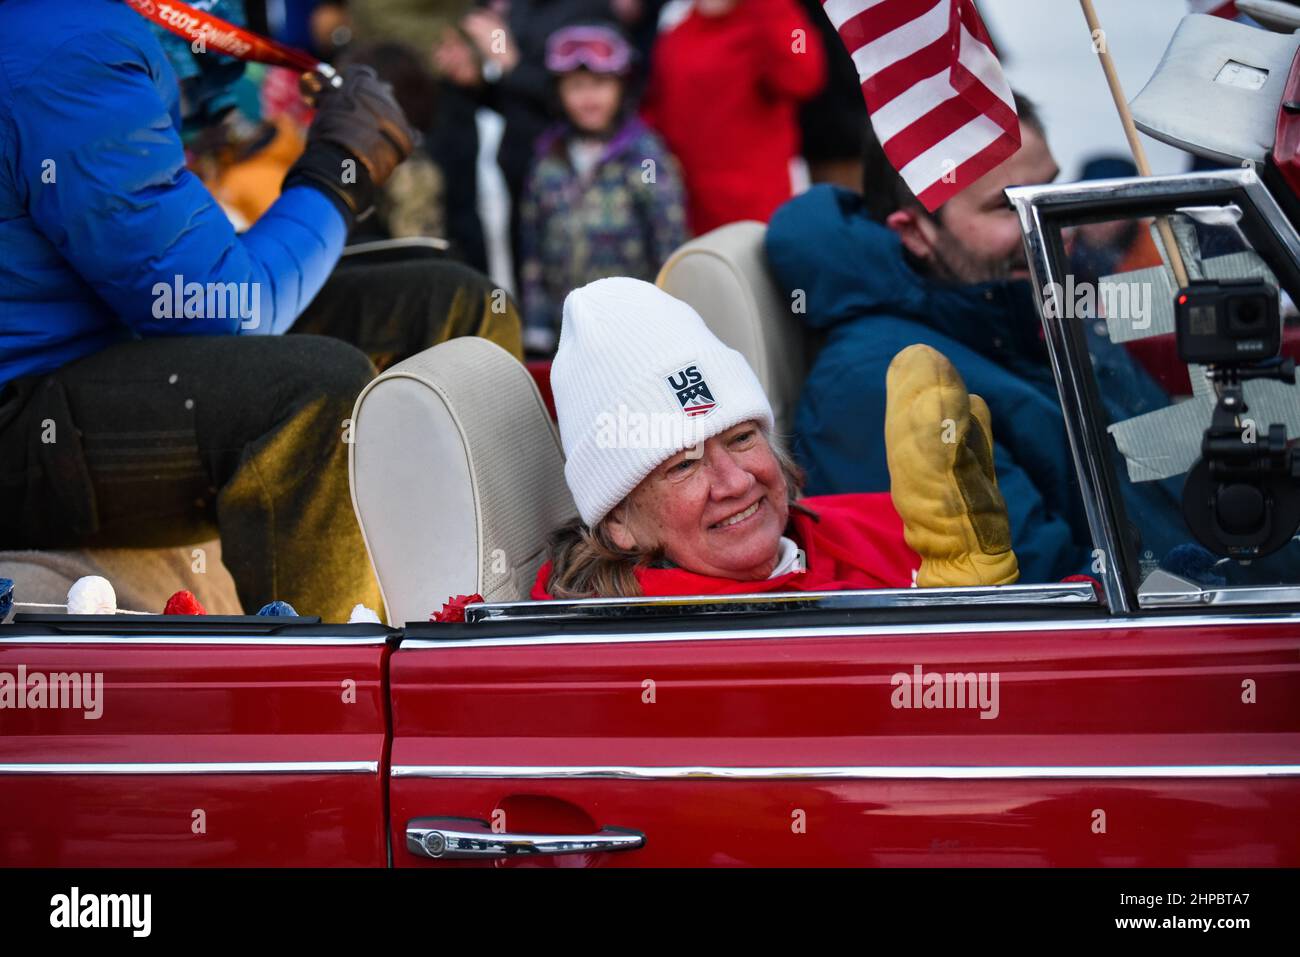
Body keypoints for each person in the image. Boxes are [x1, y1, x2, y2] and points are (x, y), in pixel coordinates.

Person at [0, 0, 521, 621]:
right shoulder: (71, 45)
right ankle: (331, 694)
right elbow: (223, 307)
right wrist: (340, 171)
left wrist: (178, 98)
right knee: (311, 397)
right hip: (23, 404)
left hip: (105, 339)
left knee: (452, 309)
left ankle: (485, 621)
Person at [764, 96, 1185, 584]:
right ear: (915, 232)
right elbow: (1045, 602)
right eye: (1011, 206)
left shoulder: (1028, 314)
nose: (1055, 226)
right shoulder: (877, 385)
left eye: (1048, 191)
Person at [531, 278, 1019, 599]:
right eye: (683, 465)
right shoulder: (658, 654)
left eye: (742, 437)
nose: (736, 482)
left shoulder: (886, 518)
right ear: (619, 523)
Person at [518, 23, 688, 354]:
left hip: (633, 328)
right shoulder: (547, 159)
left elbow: (670, 244)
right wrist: (536, 322)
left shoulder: (645, 158)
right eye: (576, 87)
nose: (588, 97)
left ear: (621, 88)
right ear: (559, 93)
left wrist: (669, 318)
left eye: (599, 85)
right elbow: (532, 247)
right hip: (567, 329)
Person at [641, 0, 826, 235]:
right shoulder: (676, 20)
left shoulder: (773, 16)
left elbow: (804, 74)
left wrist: (775, 8)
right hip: (688, 205)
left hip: (755, 207)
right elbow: (657, 102)